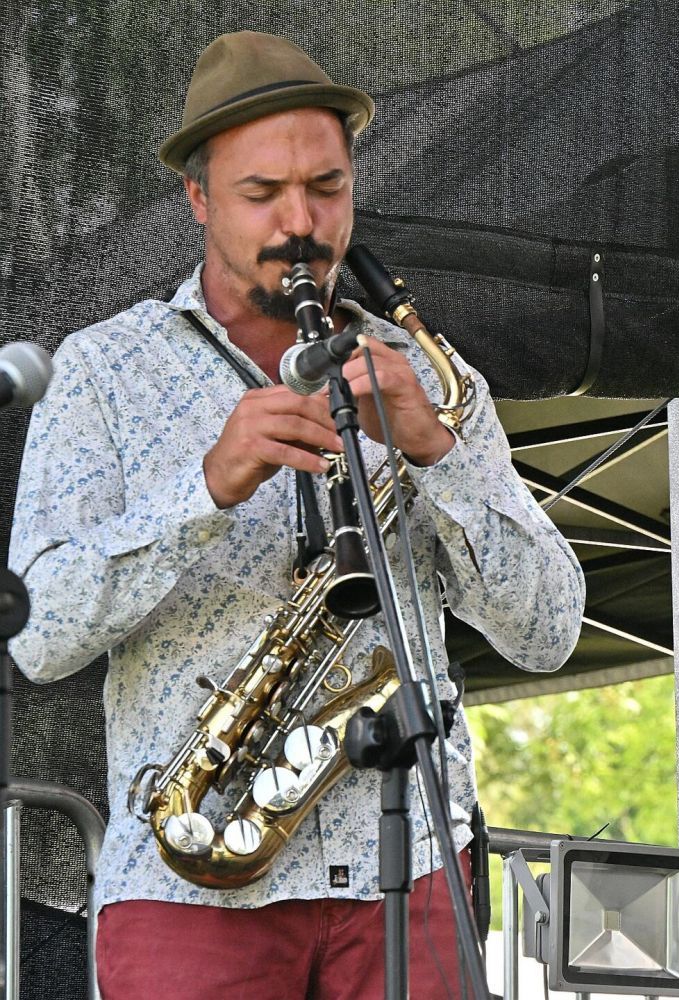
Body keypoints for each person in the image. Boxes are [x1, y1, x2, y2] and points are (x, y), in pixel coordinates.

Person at [7, 31, 585, 998]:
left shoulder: (429, 381)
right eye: (262, 192)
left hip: (411, 870)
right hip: (190, 887)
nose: (301, 222)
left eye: (325, 187)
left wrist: (435, 453)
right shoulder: (100, 372)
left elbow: (549, 631)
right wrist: (203, 489)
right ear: (197, 198)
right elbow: (38, 636)